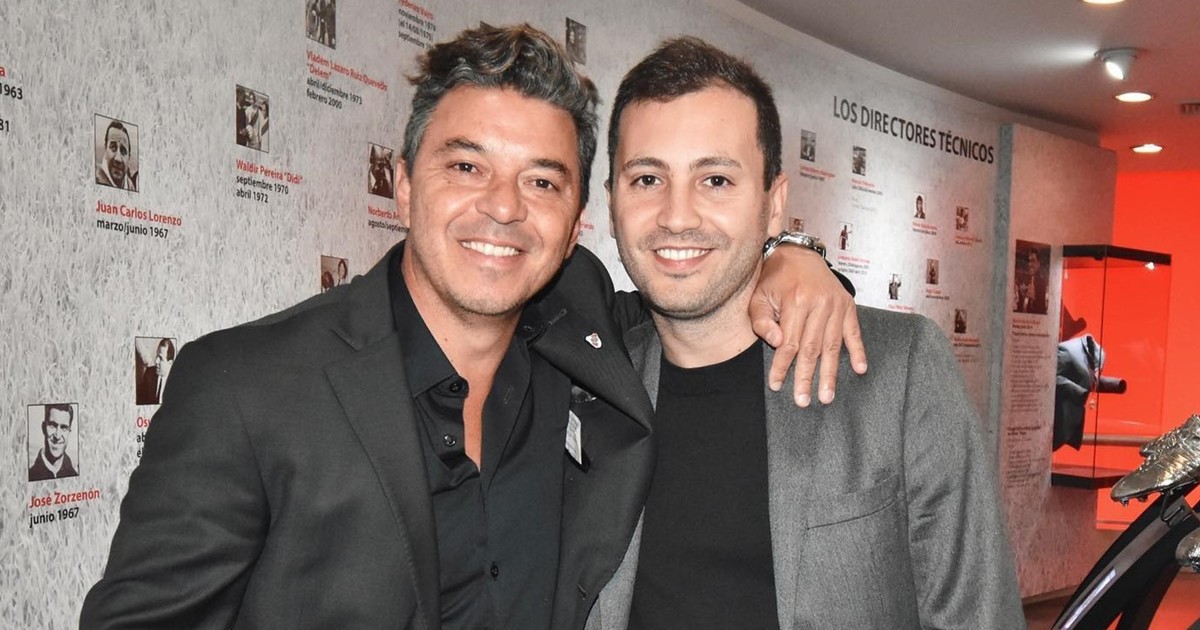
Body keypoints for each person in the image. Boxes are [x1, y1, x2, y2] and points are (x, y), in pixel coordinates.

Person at [81, 24, 863, 630]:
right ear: (403, 186)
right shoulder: (245, 388)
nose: (504, 207)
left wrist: (790, 257)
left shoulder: (585, 330)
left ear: (575, 225)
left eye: (542, 181)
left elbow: (704, 293)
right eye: (466, 166)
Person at [587, 37, 1021, 629]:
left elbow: (980, 615)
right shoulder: (591, 387)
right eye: (646, 179)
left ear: (774, 204)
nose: (677, 215)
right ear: (611, 203)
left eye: (716, 180)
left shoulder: (900, 372)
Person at [29, 404, 78, 481]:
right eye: (52, 426)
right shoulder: (31, 476)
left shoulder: (75, 476)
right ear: (43, 428)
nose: (57, 436)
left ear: (69, 432)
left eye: (64, 428)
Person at [96, 120, 137, 191]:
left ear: (129, 159)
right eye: (113, 147)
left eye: (123, 151)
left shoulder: (131, 187)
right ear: (105, 150)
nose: (118, 159)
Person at [136, 338, 175, 405]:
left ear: (170, 363)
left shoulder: (176, 383)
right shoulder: (149, 373)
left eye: (161, 358)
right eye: (157, 356)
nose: (156, 361)